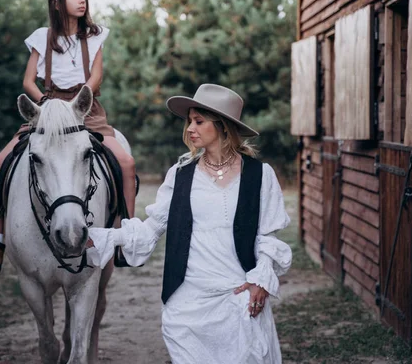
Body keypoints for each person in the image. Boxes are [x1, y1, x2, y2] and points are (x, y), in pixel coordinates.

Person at [86, 84, 292, 363]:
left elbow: (268, 235)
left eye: (199, 121)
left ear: (221, 126)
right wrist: (102, 238)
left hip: (238, 296)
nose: (190, 129)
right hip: (188, 301)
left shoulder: (260, 175)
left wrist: (261, 279)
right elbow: (151, 229)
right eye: (189, 121)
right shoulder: (180, 174)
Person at [0, 0, 136, 272]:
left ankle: (125, 235)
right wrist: (47, 105)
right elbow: (28, 81)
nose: (82, 1)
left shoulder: (95, 35)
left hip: (85, 109)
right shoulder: (42, 37)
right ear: (57, 3)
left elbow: (96, 78)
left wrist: (75, 104)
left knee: (127, 164)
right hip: (47, 109)